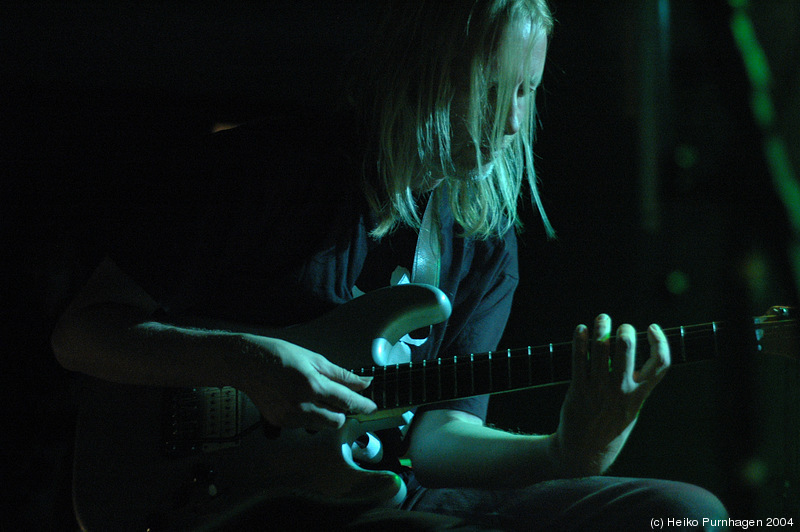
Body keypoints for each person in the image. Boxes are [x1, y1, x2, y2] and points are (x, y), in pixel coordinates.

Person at [51, 0, 729, 530]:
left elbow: (436, 436)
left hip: (384, 491)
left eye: (528, 92)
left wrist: (571, 451)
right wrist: (244, 361)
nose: (515, 124)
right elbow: (79, 334)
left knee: (688, 515)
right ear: (425, 67)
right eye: (496, 90)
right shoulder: (268, 173)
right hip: (232, 499)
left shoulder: (482, 241)